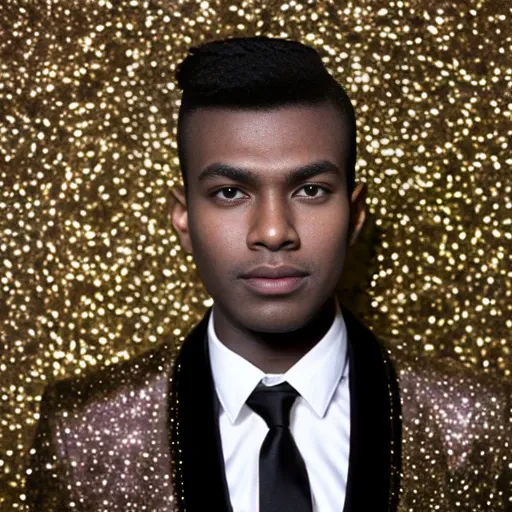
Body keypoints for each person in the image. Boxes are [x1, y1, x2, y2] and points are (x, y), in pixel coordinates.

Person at [26, 37, 509, 512]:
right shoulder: (84, 430)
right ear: (183, 218)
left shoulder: (474, 421)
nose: (274, 232)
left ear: (355, 214)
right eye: (230, 193)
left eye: (312, 190)